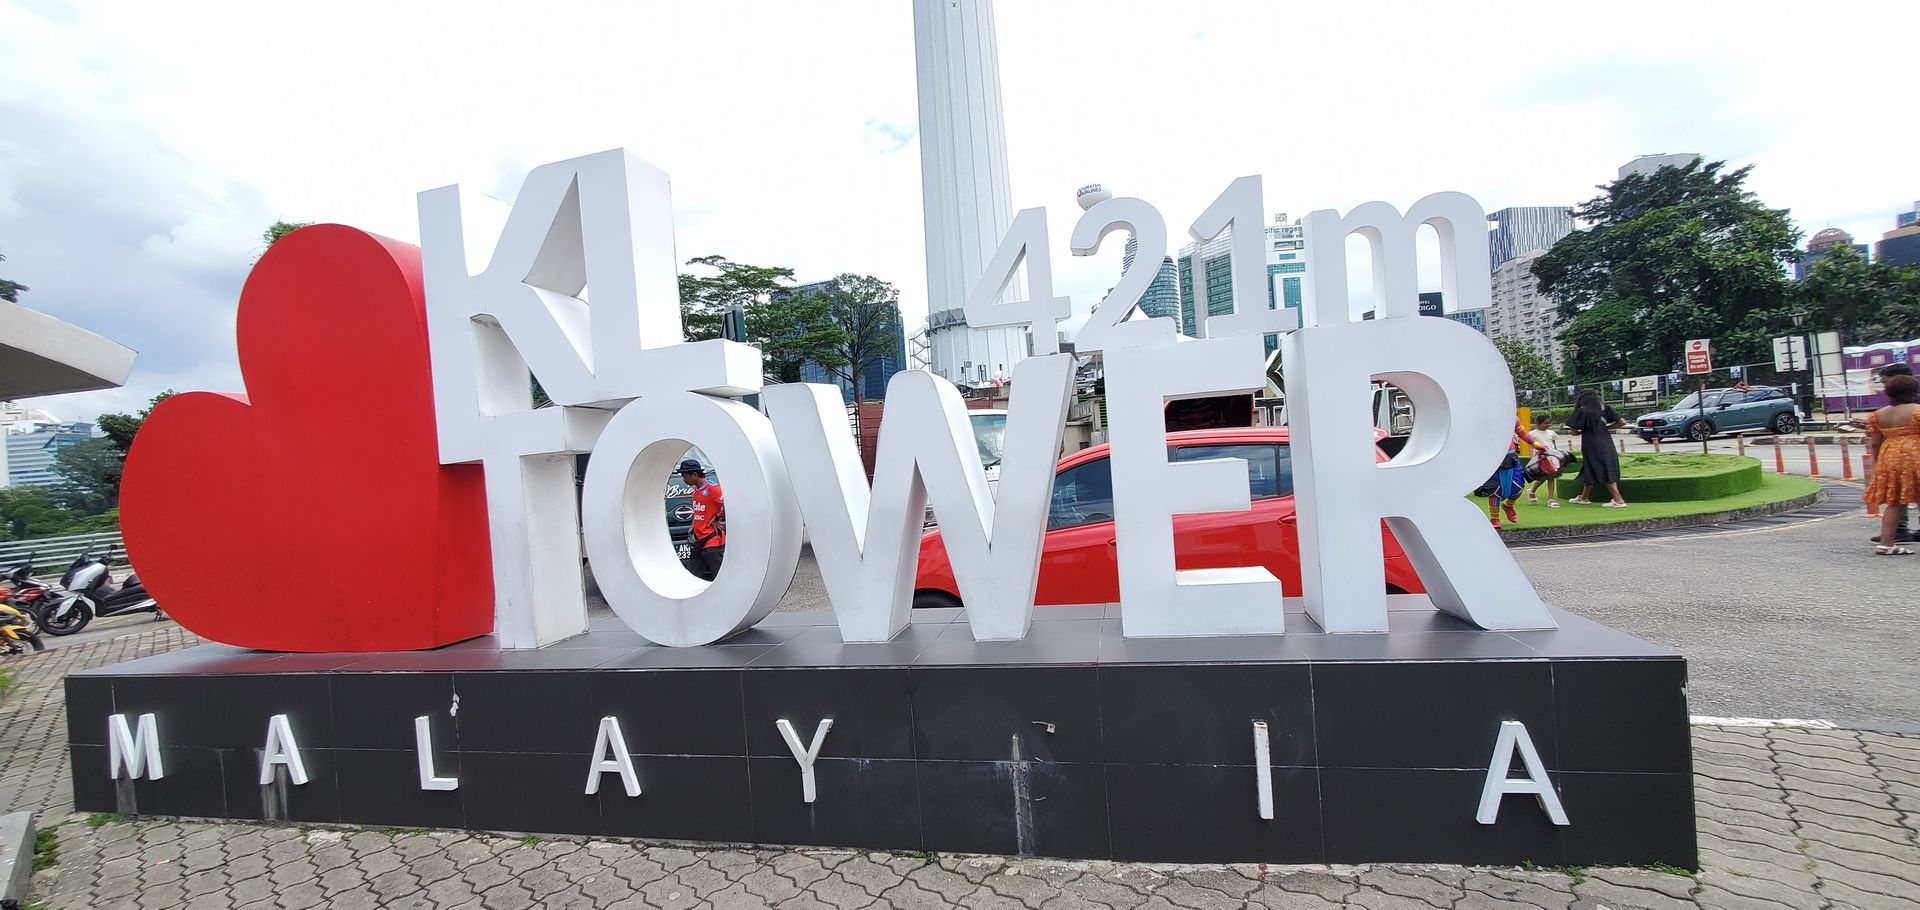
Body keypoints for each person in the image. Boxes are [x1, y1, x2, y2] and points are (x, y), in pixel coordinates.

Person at [1864, 373, 1920, 555]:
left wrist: (1878, 460)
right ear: (1913, 391)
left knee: (1894, 502)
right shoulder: (1917, 411)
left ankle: (1886, 543)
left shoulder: (1878, 415)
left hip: (1890, 457)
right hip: (1915, 454)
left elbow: (1874, 442)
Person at [1567, 390, 1628, 508]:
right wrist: (1607, 427)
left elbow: (1573, 431)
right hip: (1606, 441)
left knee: (1601, 467)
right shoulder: (1605, 408)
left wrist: (1583, 430)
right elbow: (1622, 422)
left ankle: (1618, 499)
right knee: (1590, 468)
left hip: (1590, 443)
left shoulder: (1582, 411)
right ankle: (1584, 497)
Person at [679, 458, 726, 580]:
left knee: (720, 577)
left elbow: (728, 505)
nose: (683, 480)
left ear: (694, 474)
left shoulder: (713, 489)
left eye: (685, 476)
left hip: (712, 543)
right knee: (691, 578)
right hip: (698, 542)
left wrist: (717, 518)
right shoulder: (695, 490)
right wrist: (693, 526)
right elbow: (699, 511)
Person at [1526, 414, 1565, 508]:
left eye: (1549, 423)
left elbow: (1554, 445)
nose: (1548, 425)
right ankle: (1532, 491)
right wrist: (1532, 458)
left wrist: (1557, 456)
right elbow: (1530, 447)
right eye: (1545, 423)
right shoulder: (1532, 434)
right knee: (1542, 477)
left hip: (1551, 457)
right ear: (1538, 424)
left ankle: (1550, 499)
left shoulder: (1551, 433)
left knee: (1551, 477)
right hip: (1540, 458)